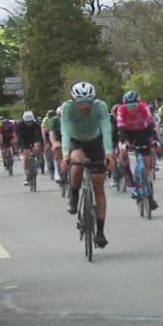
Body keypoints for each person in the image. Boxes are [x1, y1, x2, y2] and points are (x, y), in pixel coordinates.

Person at [60, 81, 116, 248]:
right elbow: (65, 131)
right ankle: (74, 193)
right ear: (74, 101)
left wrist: (109, 154)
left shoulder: (100, 107)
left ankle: (100, 231)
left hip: (95, 141)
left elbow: (106, 130)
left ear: (94, 100)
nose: (85, 107)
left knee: (99, 186)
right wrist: (64, 155)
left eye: (88, 103)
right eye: (81, 103)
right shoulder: (68, 108)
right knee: (77, 161)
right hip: (76, 141)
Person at [116, 90, 159, 210]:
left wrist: (154, 140)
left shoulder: (144, 107)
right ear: (125, 105)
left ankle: (150, 198)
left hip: (142, 132)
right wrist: (125, 144)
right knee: (123, 152)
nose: (132, 108)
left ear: (138, 103)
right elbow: (121, 129)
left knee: (147, 167)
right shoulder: (121, 110)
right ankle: (129, 180)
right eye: (129, 106)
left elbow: (151, 126)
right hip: (127, 132)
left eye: (134, 105)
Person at [18, 111, 44, 184]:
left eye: (30, 122)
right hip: (24, 140)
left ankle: (38, 160)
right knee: (26, 157)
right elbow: (19, 137)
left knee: (37, 147)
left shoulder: (36, 125)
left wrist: (39, 144)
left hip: (34, 139)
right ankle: (27, 175)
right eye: (27, 122)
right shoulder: (20, 125)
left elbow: (40, 136)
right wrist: (22, 148)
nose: (29, 123)